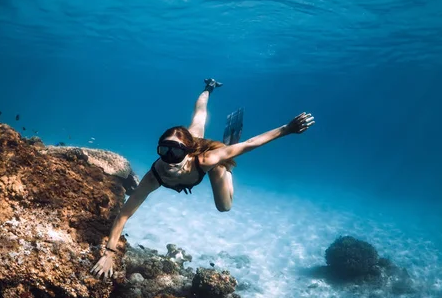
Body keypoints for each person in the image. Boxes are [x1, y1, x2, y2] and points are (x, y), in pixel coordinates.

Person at [90, 78, 315, 279]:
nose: (169, 159)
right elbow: (124, 215)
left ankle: (227, 168)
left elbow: (249, 144)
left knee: (224, 206)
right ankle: (210, 86)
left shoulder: (205, 159)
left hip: (210, 163)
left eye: (176, 152)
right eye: (164, 150)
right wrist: (109, 253)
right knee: (198, 118)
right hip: (194, 144)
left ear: (187, 152)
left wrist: (286, 129)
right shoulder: (154, 176)